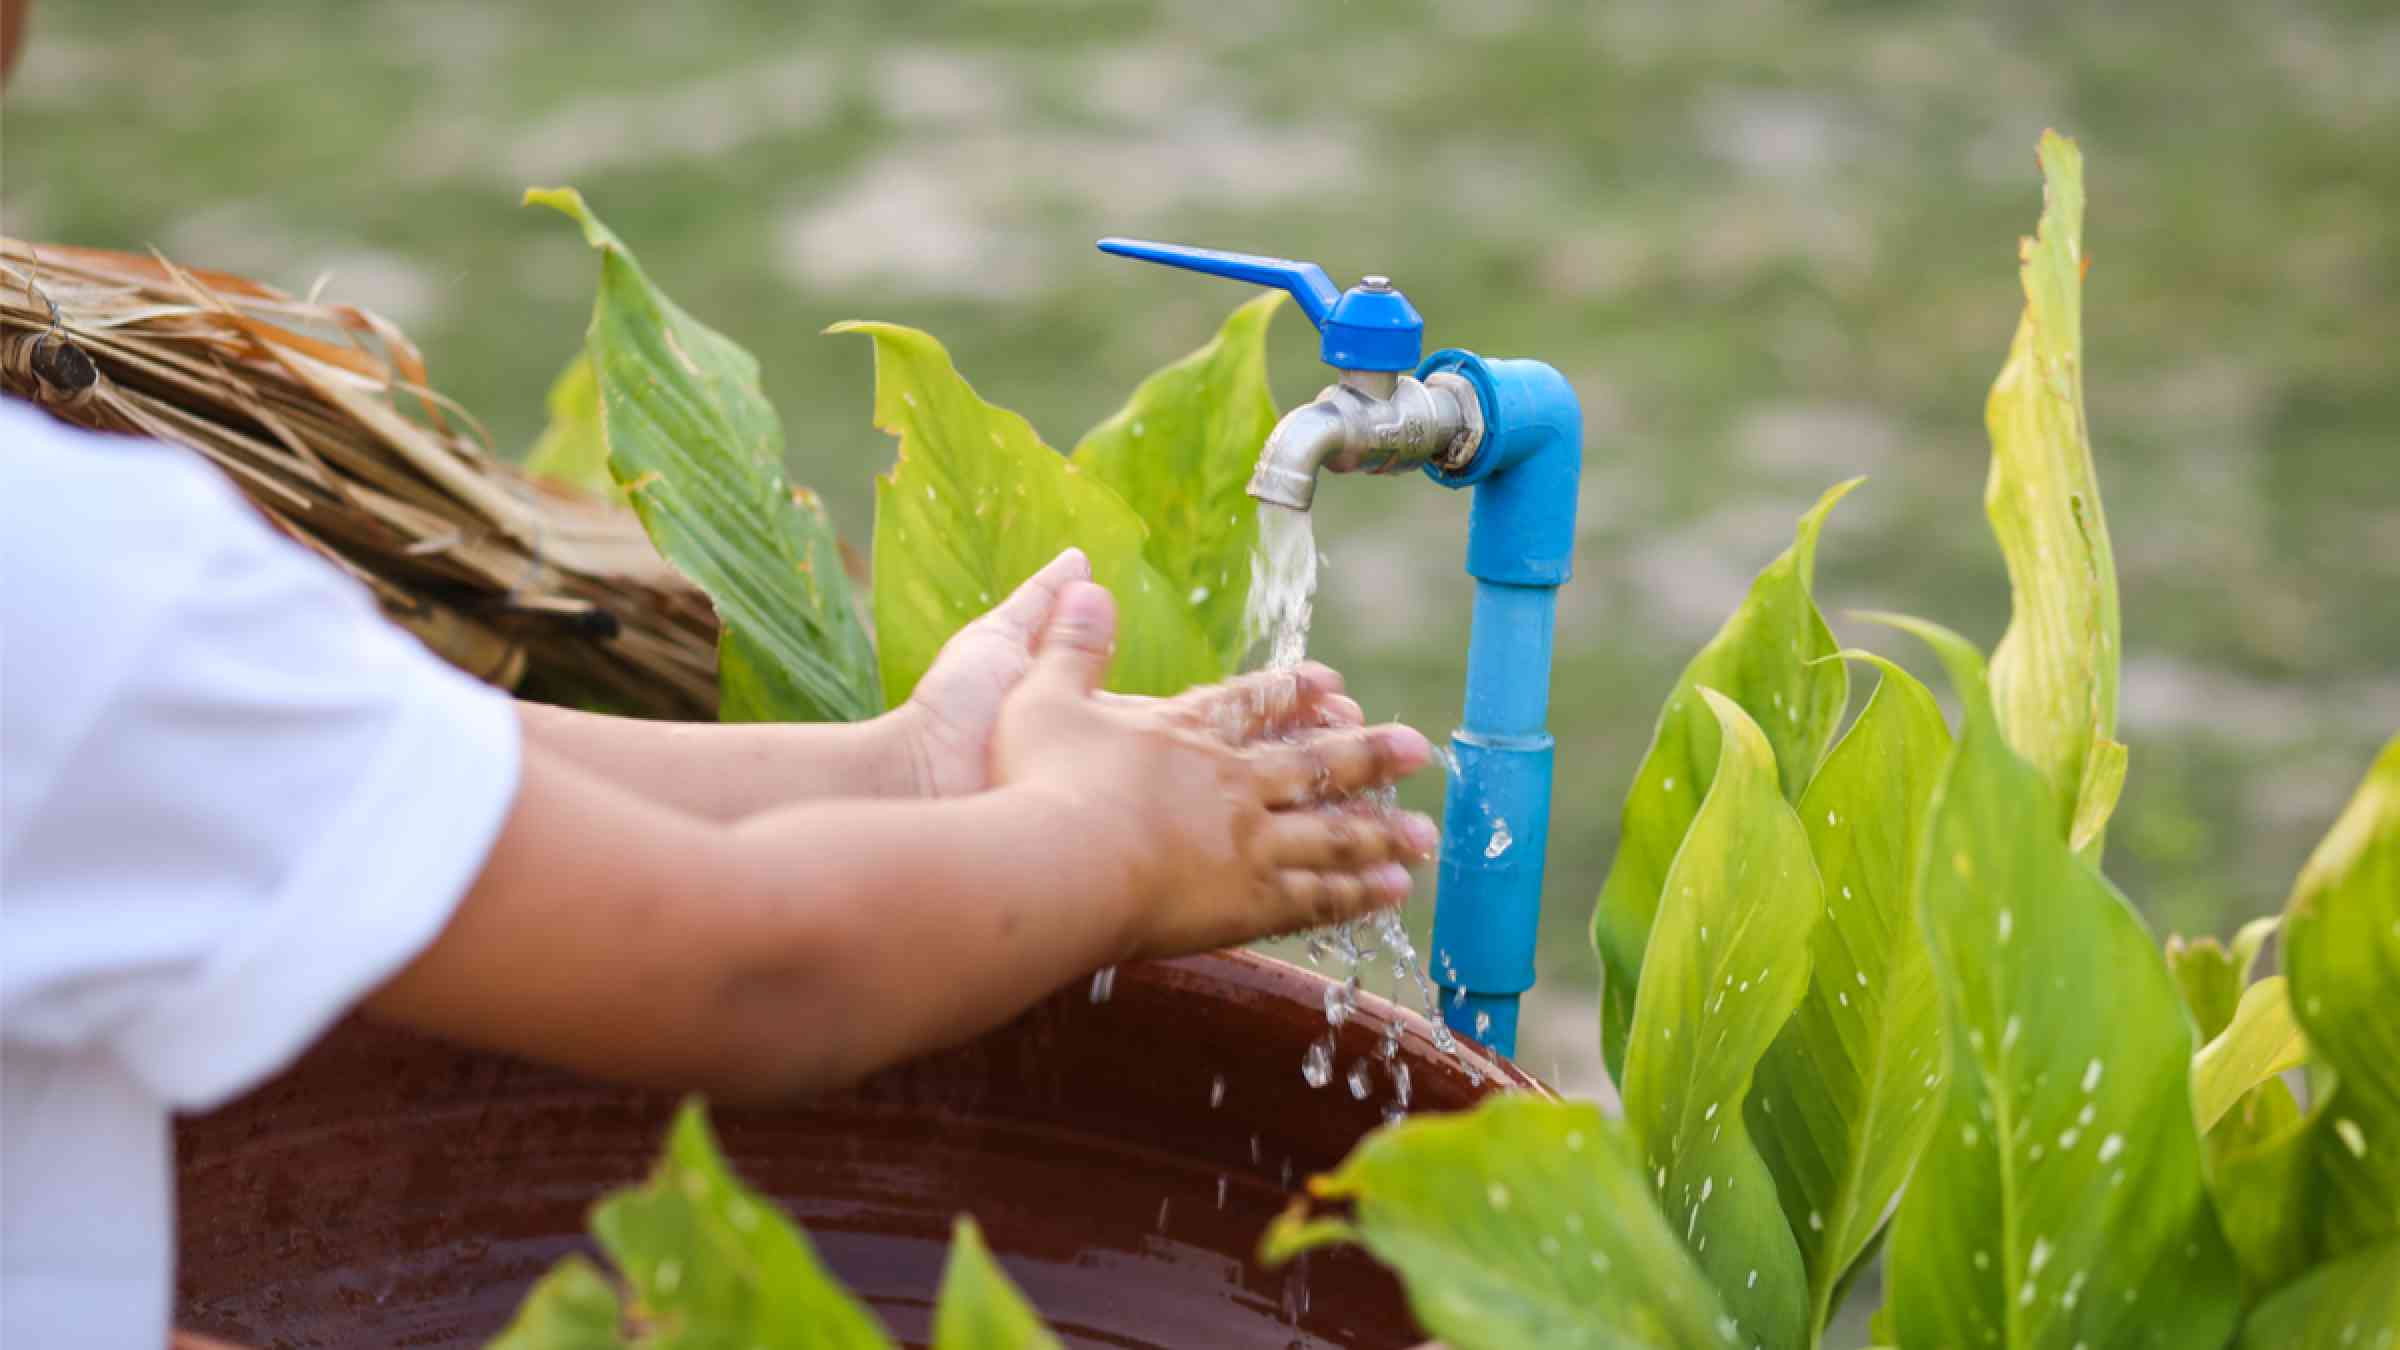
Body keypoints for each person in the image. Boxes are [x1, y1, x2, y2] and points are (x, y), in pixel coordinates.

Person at [0, 12, 1435, 1335]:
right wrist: (1097, 843)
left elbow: (429, 780)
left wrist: (908, 767)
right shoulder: (72, 573)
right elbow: (755, 966)